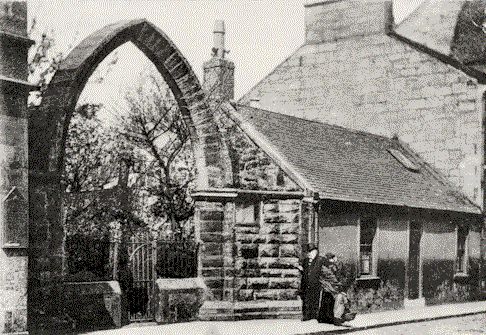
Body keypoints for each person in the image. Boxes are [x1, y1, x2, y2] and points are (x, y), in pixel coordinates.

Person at [318, 252, 345, 325]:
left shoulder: (330, 266)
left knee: (328, 303)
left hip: (328, 288)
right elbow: (332, 278)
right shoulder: (327, 268)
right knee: (330, 302)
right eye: (332, 259)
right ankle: (330, 318)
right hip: (329, 288)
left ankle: (326, 318)